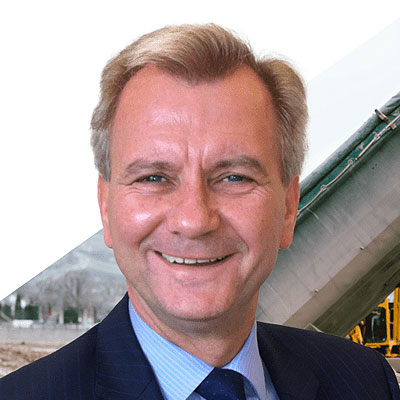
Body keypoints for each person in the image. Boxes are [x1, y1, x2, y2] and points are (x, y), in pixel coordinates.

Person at [0, 23, 399, 400]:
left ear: (288, 208)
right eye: (154, 177)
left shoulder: (366, 382)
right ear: (106, 207)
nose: (193, 220)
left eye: (234, 177)